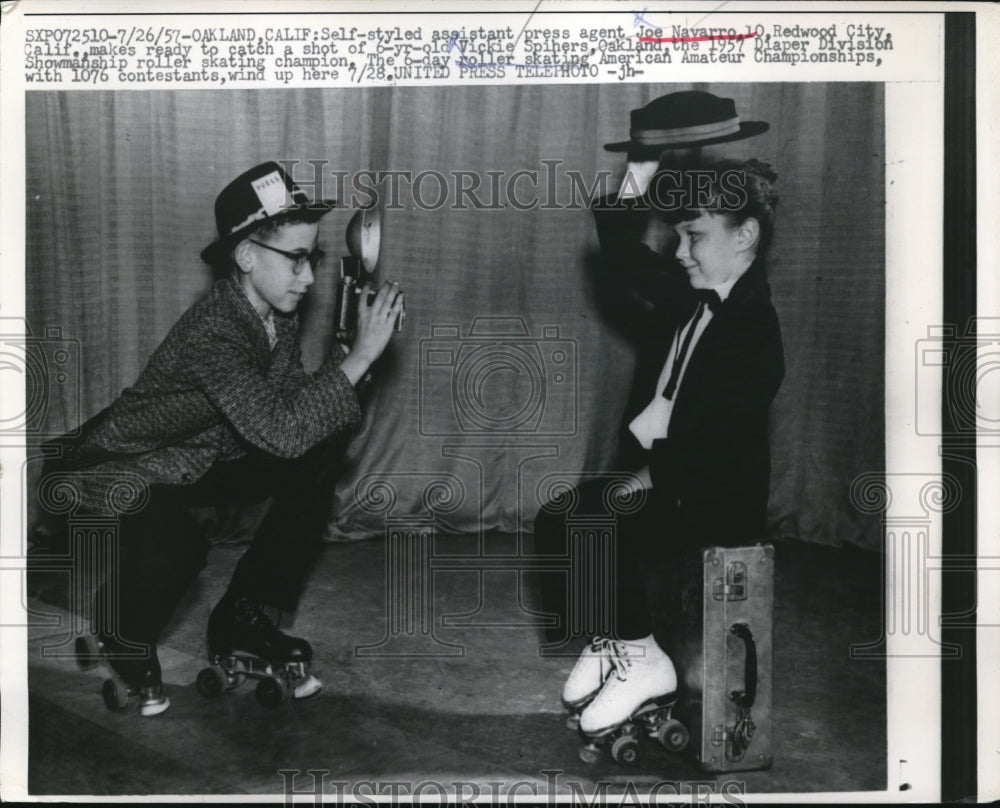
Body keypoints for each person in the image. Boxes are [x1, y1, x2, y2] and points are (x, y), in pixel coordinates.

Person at [45, 161, 404, 716]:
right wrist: (357, 359)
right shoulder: (215, 331)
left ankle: (243, 613)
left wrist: (346, 356)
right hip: (123, 465)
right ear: (246, 256)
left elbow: (299, 417)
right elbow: (281, 432)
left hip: (200, 456)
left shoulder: (273, 318)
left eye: (312, 258)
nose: (308, 277)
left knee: (319, 455)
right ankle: (120, 628)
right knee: (180, 549)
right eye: (296, 259)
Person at [533, 92, 783, 740]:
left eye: (695, 236)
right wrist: (642, 158)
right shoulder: (688, 289)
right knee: (559, 518)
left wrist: (647, 480)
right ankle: (617, 636)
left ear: (745, 235)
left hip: (710, 502)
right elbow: (616, 245)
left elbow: (712, 443)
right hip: (669, 481)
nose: (679, 250)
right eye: (678, 236)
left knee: (596, 518)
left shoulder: (755, 330)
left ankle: (645, 661)